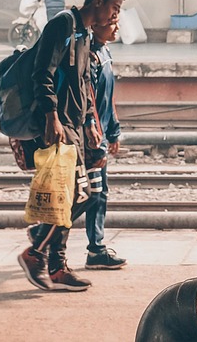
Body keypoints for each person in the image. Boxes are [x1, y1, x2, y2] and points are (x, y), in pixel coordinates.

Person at [18, 0, 127, 293]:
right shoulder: (64, 24)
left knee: (69, 198)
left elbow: (83, 85)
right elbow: (43, 72)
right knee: (80, 195)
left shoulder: (82, 34)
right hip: (58, 127)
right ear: (98, 2)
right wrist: (51, 116)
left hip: (76, 128)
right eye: (114, 7)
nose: (114, 16)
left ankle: (56, 266)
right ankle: (36, 252)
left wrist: (91, 124)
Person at [80, 17, 127, 271]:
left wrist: (114, 131)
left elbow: (108, 96)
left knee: (97, 193)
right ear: (95, 26)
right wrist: (97, 140)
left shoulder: (105, 52)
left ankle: (95, 247)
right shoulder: (89, 56)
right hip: (91, 139)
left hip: (101, 135)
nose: (116, 27)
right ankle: (45, 233)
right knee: (90, 195)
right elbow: (90, 104)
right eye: (111, 22)